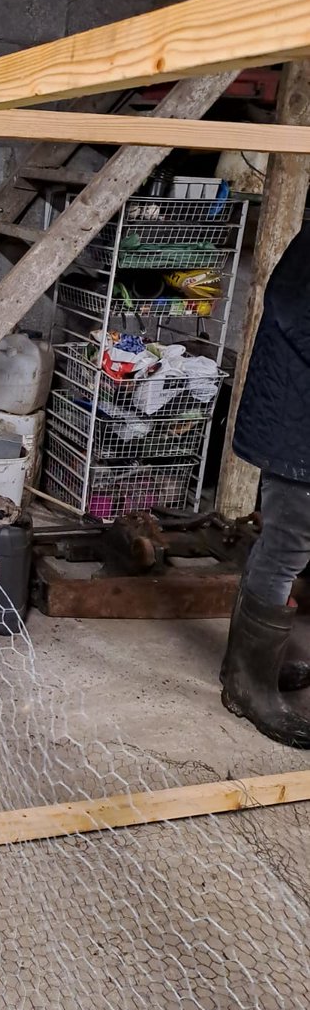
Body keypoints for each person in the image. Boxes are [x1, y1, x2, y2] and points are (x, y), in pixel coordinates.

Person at [221, 216, 310, 748]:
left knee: (291, 542)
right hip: (296, 419)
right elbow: (298, 314)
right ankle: (248, 687)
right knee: (289, 542)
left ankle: (252, 664)